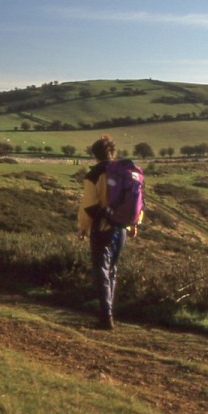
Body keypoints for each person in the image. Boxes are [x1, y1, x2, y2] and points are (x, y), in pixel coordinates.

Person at [77, 135, 139, 330]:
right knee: (112, 270)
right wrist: (132, 224)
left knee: (101, 271)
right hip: (121, 229)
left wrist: (83, 228)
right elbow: (135, 200)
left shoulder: (94, 175)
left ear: (94, 155)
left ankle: (106, 318)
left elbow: (89, 205)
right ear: (113, 152)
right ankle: (108, 314)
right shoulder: (125, 172)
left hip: (102, 228)